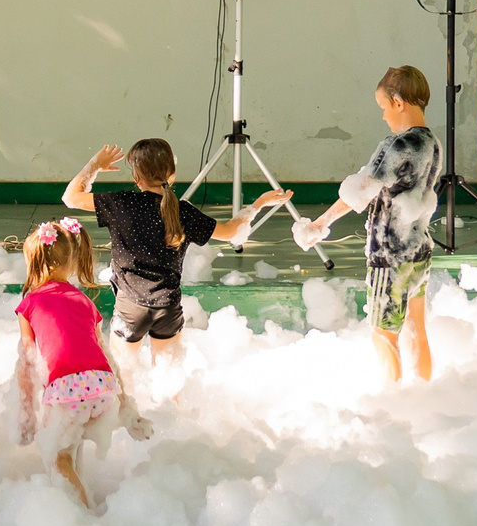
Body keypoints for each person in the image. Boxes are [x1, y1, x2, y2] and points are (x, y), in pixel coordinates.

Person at [61, 139, 286, 371]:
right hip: (168, 308)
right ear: (172, 174)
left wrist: (95, 165)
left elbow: (71, 197)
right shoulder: (183, 211)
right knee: (169, 384)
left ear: (137, 178)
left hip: (130, 308)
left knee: (122, 381)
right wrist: (258, 204)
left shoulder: (122, 203)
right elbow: (232, 232)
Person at [293, 67, 445, 382]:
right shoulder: (432, 143)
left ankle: (394, 406)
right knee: (416, 329)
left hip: (390, 256)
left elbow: (358, 192)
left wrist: (320, 225)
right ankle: (425, 398)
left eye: (384, 108)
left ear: (399, 103)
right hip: (419, 251)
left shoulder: (396, 145)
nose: (383, 117)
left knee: (383, 335)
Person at [14, 217, 149, 507]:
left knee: (55, 457)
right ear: (73, 261)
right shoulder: (85, 302)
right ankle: (84, 497)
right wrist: (127, 408)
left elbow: (26, 362)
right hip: (103, 389)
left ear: (36, 265)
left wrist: (27, 417)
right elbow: (107, 356)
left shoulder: (29, 304)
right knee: (71, 443)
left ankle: (83, 518)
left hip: (68, 390)